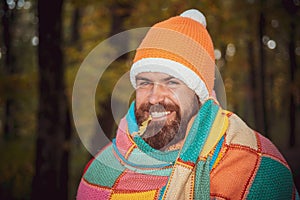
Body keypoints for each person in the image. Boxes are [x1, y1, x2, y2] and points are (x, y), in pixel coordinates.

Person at [76, 9, 299, 199]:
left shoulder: (254, 165)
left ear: (198, 93)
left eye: (171, 82)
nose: (154, 97)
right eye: (145, 82)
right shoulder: (101, 171)